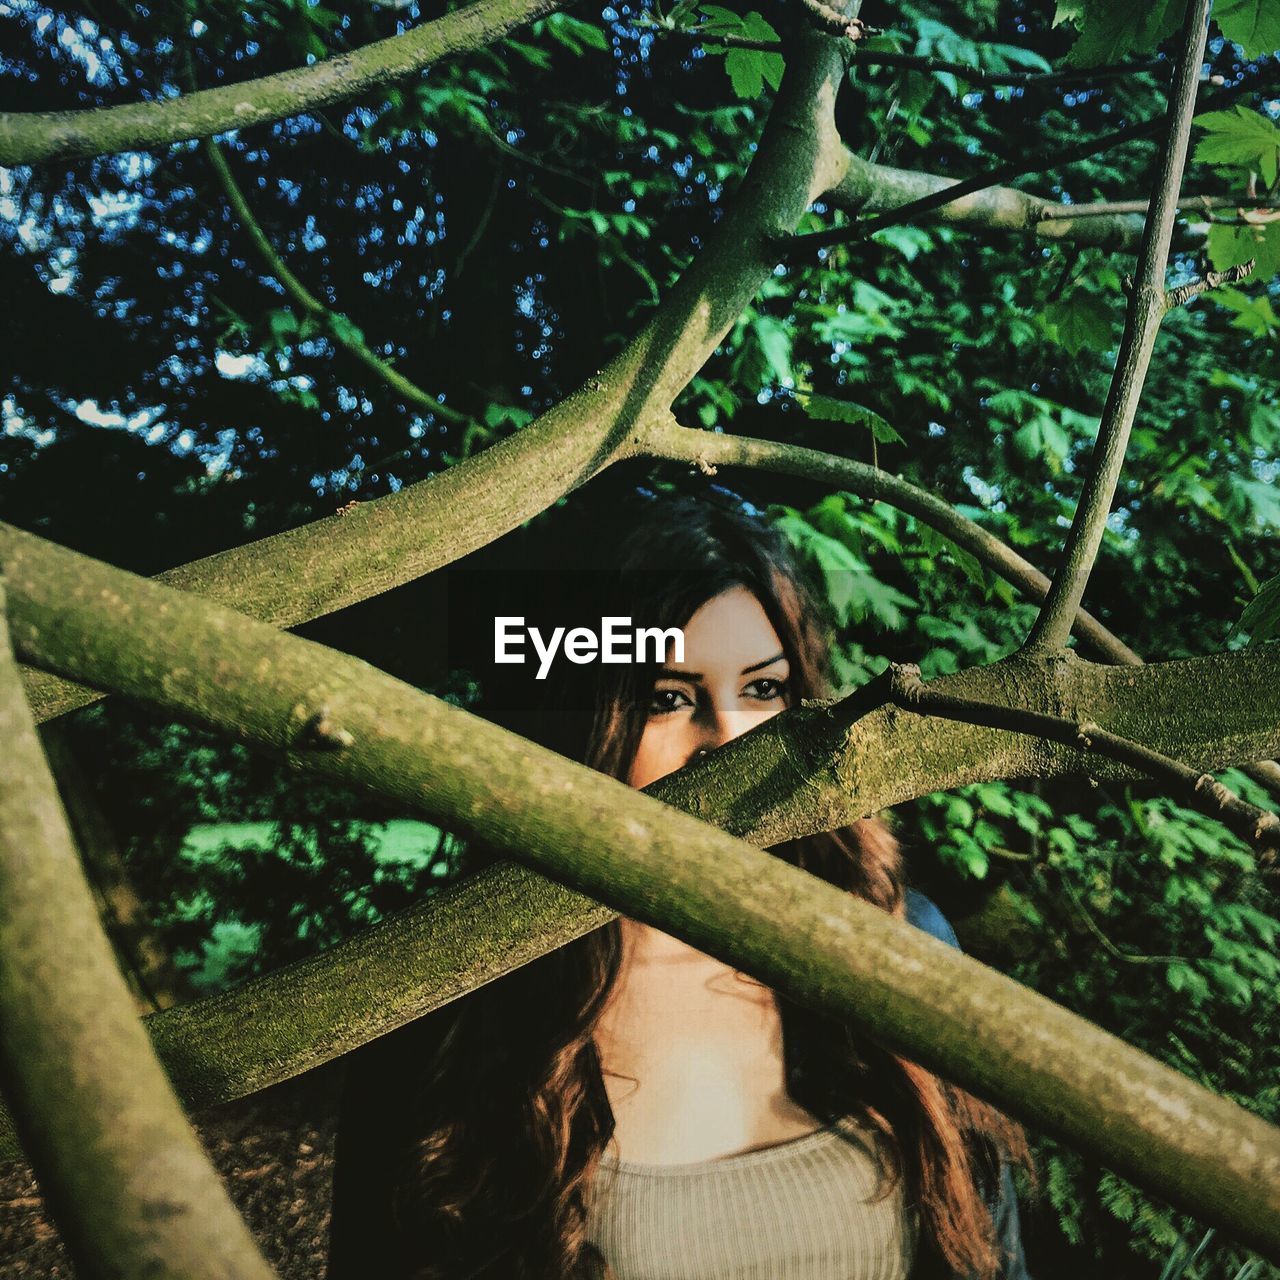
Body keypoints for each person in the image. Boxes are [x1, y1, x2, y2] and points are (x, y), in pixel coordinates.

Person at [328, 487, 1033, 1280]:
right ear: (577, 721)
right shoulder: (453, 1010)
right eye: (669, 699)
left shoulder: (903, 942)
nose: (728, 742)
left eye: (763, 690)